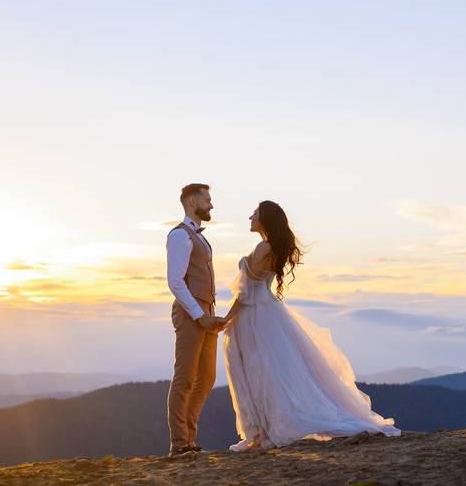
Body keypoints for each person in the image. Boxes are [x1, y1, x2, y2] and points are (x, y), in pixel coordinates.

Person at [220, 200, 401, 451]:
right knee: (269, 370)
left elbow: (247, 291)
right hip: (267, 313)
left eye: (255, 213)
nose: (250, 216)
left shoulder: (263, 247)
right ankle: (263, 430)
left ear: (265, 219)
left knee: (259, 370)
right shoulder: (273, 246)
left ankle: (264, 431)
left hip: (254, 315)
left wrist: (226, 318)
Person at [165, 183, 227, 456]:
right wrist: (199, 315)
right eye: (207, 200)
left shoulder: (199, 237)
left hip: (206, 312)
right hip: (192, 314)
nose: (211, 205)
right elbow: (175, 282)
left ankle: (190, 440)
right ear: (191, 202)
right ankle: (180, 444)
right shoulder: (180, 235)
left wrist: (209, 314)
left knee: (206, 377)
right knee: (185, 378)